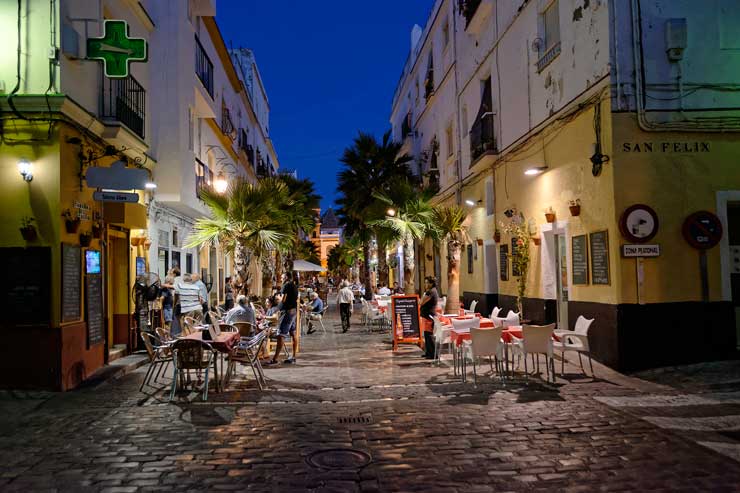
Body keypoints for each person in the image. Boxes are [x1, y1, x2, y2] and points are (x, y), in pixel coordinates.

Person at [268, 273, 299, 365]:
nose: (281, 279)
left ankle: (275, 359)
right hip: (293, 310)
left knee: (281, 335)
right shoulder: (294, 285)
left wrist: (278, 297)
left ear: (286, 278)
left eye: (282, 278)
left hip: (287, 312)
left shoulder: (286, 285)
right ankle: (293, 356)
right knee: (293, 333)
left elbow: (283, 299)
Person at [419, 276, 440, 359]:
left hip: (429, 316)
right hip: (427, 315)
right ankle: (428, 353)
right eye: (425, 282)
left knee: (429, 335)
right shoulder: (431, 291)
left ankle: (433, 354)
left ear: (431, 283)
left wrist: (424, 295)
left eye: (427, 282)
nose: (425, 284)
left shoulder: (431, 292)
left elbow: (421, 302)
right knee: (427, 335)